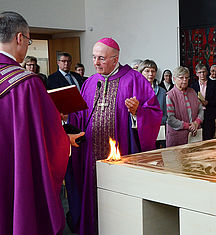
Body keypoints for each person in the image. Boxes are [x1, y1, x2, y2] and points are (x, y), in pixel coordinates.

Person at [66, 38, 162, 235]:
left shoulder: (134, 79)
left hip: (123, 152)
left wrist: (138, 113)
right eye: (94, 57)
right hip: (91, 153)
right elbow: (79, 116)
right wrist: (67, 115)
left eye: (101, 58)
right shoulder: (90, 82)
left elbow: (153, 112)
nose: (96, 62)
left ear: (115, 58)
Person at [0, 11, 83, 235]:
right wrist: (65, 141)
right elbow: (46, 137)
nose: (27, 46)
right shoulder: (25, 84)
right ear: (19, 38)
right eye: (28, 41)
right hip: (13, 170)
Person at [166, 66, 203, 147]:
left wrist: (196, 123)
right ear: (174, 79)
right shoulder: (170, 95)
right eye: (181, 78)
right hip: (177, 137)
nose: (185, 80)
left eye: (187, 78)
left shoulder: (192, 92)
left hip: (194, 135)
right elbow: (170, 119)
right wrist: (188, 126)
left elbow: (201, 110)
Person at [191, 63, 216, 140]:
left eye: (204, 72)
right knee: (197, 137)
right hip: (197, 114)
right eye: (200, 72)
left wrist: (208, 102)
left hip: (209, 114)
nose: (202, 74)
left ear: (207, 72)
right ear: (197, 74)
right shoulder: (193, 86)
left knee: (208, 137)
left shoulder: (213, 84)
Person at [138, 60, 167, 125]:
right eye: (147, 71)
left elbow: (165, 114)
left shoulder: (162, 92)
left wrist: (156, 122)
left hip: (158, 128)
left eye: (153, 71)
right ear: (141, 73)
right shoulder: (135, 90)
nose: (151, 74)